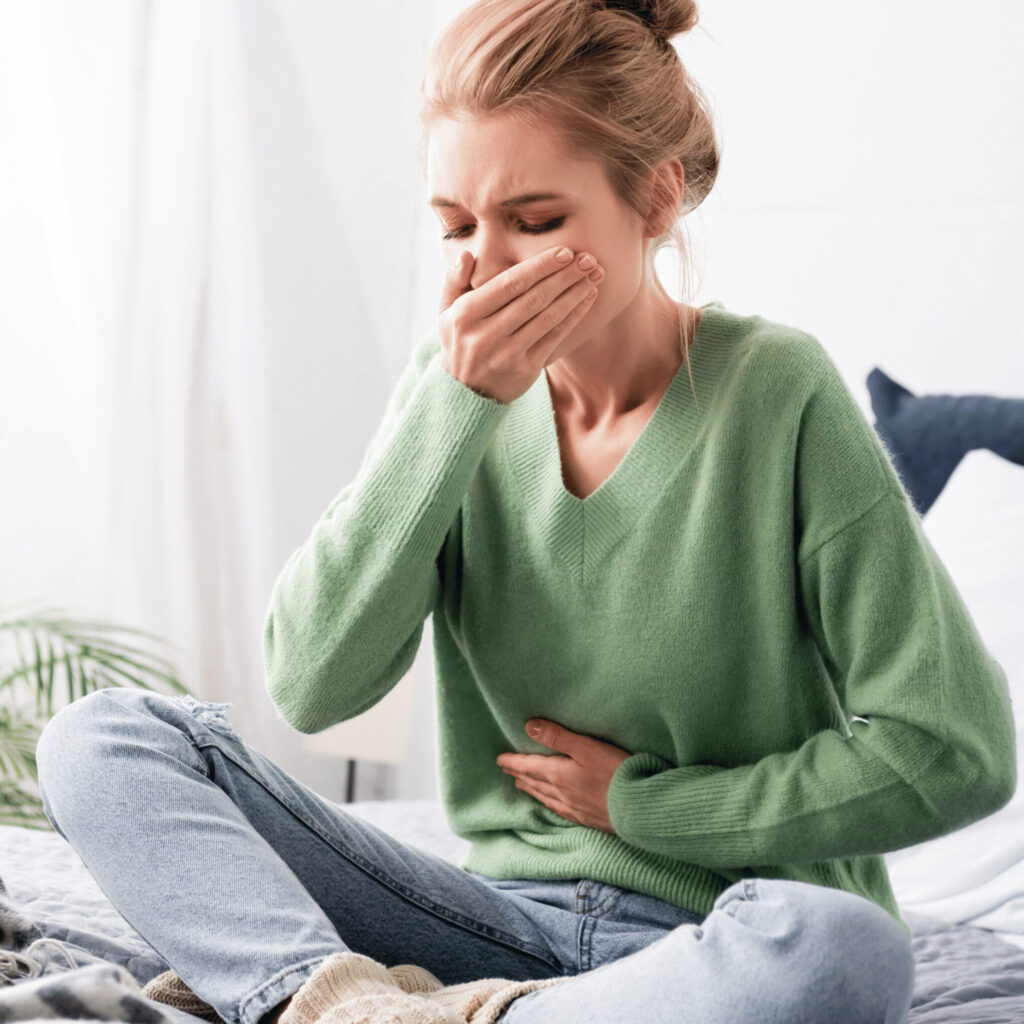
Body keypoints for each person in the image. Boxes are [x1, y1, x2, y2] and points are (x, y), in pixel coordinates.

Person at [36, 1, 1016, 1023]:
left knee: (841, 949)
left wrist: (643, 804)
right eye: (455, 225)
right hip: (484, 922)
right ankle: (342, 1008)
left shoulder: (776, 392)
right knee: (99, 740)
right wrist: (454, 411)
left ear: (656, 197)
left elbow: (953, 750)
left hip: (715, 938)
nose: (480, 265)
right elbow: (314, 685)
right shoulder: (447, 392)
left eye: (534, 221)